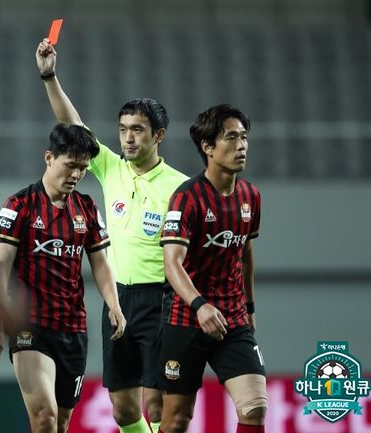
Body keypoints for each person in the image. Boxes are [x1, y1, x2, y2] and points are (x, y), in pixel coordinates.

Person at [36, 38, 188, 433]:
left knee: (157, 403)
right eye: (123, 130)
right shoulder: (111, 169)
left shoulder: (180, 187)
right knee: (123, 410)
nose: (128, 138)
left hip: (163, 301)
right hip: (119, 300)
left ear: (159, 135)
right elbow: (74, 126)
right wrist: (50, 77)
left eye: (138, 130)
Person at [0, 123, 126, 433]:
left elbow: (101, 264)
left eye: (83, 168)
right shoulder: (19, 205)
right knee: (45, 417)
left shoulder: (87, 208)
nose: (76, 174)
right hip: (29, 326)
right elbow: (0, 268)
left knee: (61, 424)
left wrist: (114, 305)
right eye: (70, 165)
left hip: (73, 329)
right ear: (49, 157)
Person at [158, 104, 267, 433]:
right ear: (207, 147)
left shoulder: (250, 196)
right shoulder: (186, 198)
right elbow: (171, 263)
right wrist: (200, 305)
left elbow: (245, 253)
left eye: (244, 137)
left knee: (255, 407)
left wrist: (249, 307)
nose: (241, 145)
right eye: (231, 138)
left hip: (232, 318)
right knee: (176, 420)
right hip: (186, 317)